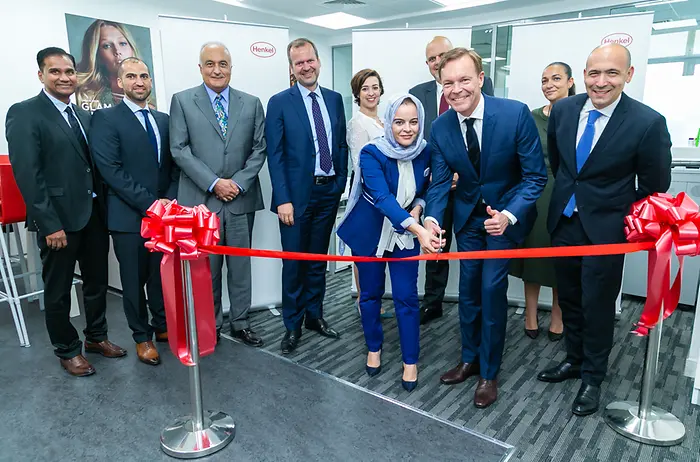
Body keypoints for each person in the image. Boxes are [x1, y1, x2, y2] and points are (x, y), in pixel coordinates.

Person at [537, 44, 672, 416]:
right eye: (594, 73)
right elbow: (561, 165)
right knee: (570, 298)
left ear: (628, 76)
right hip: (564, 222)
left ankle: (593, 377)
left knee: (598, 305)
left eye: (612, 73)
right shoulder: (564, 109)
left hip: (607, 231)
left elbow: (655, 183)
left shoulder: (647, 122)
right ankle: (574, 360)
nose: (601, 82)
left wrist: (615, 212)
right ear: (583, 74)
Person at [423, 48, 546, 408]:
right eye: (448, 83)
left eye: (464, 80)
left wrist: (508, 215)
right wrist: (431, 220)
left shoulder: (514, 114)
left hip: (503, 220)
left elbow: (535, 177)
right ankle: (469, 358)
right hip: (469, 220)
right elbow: (439, 183)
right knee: (468, 291)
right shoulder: (440, 126)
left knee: (491, 290)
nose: (456, 89)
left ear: (480, 78)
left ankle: (489, 373)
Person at [5, 47, 126, 376]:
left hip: (94, 215)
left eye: (69, 71)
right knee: (58, 290)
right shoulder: (25, 113)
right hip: (57, 221)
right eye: (55, 71)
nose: (64, 77)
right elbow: (28, 175)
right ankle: (67, 349)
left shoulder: (85, 117)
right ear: (41, 75)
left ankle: (96, 337)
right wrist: (49, 224)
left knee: (97, 283)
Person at [337, 94, 439, 392]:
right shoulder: (372, 153)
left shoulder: (425, 152)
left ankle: (410, 361)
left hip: (405, 233)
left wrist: (418, 210)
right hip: (370, 232)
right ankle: (373, 347)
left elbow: (422, 191)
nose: (406, 129)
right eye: (399, 122)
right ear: (389, 122)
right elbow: (381, 197)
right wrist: (419, 231)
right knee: (369, 294)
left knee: (407, 298)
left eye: (413, 122)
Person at [170, 42, 267, 347]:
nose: (216, 70)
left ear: (231, 67)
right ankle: (209, 325)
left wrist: (236, 183)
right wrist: (214, 183)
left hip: (240, 200)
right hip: (202, 202)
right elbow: (179, 149)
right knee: (206, 269)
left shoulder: (251, 103)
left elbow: (259, 149)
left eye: (222, 64)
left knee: (240, 267)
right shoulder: (183, 101)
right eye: (209, 64)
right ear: (200, 68)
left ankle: (240, 322)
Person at [90, 57, 178, 365]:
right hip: (129, 218)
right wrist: (150, 203)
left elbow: (173, 166)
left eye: (144, 76)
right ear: (120, 82)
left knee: (159, 276)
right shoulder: (106, 119)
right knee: (133, 280)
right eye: (131, 76)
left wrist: (168, 200)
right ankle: (142, 337)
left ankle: (162, 325)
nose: (138, 81)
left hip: (163, 216)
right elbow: (111, 170)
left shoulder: (165, 120)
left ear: (150, 82)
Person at [266, 38, 348, 354]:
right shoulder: (279, 102)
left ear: (318, 61)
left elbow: (339, 144)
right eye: (298, 62)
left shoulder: (334, 99)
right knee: (294, 264)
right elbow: (275, 155)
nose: (306, 66)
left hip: (328, 192)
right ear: (292, 67)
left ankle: (315, 316)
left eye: (309, 60)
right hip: (295, 198)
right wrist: (283, 198)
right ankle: (292, 325)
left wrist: (339, 181)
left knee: (318, 261)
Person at [410, 36, 495, 326]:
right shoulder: (417, 93)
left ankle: (481, 309)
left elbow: (486, 133)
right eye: (432, 58)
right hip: (438, 186)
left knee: (478, 257)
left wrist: (465, 169)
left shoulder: (476, 85)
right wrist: (442, 172)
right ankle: (432, 302)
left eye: (441, 55)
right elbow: (416, 140)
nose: (437, 62)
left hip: (475, 187)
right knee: (437, 246)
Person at [510, 62, 575, 341]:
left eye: (556, 78)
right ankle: (531, 315)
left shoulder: (581, 115)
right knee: (534, 257)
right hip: (535, 192)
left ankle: (558, 318)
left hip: (568, 193)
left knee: (560, 258)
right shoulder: (531, 117)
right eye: (544, 79)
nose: (549, 84)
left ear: (571, 82)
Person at [346, 68, 386, 317]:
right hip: (368, 197)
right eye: (365, 88)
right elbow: (360, 166)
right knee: (364, 251)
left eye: (375, 87)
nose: (371, 93)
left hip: (385, 196)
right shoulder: (358, 123)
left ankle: (374, 303)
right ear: (357, 94)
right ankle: (364, 303)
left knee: (378, 253)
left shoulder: (385, 121)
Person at [75, 20, 150, 111]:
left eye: (122, 43)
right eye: (106, 46)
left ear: (132, 48)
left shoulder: (148, 102)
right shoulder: (84, 96)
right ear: (96, 55)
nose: (117, 51)